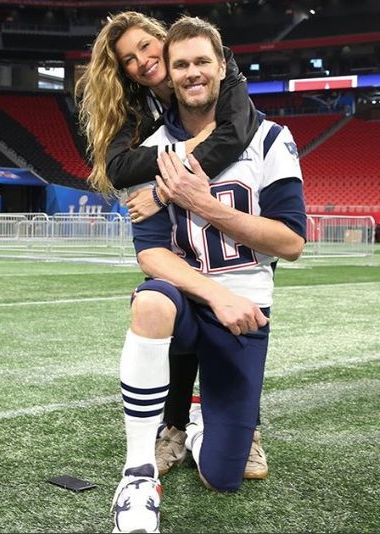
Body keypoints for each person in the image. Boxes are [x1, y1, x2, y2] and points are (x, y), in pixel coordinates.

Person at [110, 16, 306, 533]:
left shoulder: (269, 137)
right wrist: (215, 294)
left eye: (202, 62)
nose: (193, 73)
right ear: (169, 77)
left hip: (245, 314)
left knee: (224, 476)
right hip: (192, 301)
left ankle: (201, 429)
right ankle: (137, 474)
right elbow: (150, 255)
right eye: (182, 65)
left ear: (222, 66)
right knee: (150, 300)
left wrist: (205, 205)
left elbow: (291, 243)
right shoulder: (152, 149)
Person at [76, 11, 268, 480]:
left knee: (239, 311)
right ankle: (175, 425)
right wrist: (183, 151)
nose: (142, 61)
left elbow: (237, 131)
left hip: (231, 212)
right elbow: (120, 169)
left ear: (163, 39)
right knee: (170, 303)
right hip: (183, 226)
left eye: (146, 46)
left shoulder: (219, 69)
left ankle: (246, 425)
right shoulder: (138, 107)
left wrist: (164, 186)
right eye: (128, 60)